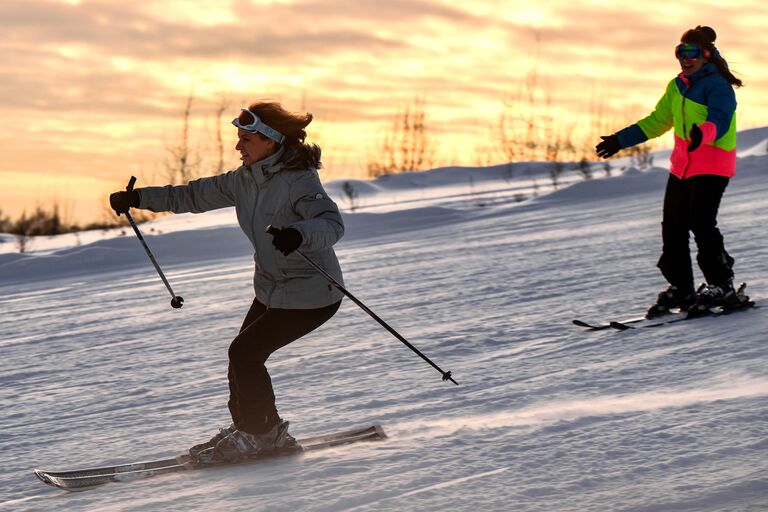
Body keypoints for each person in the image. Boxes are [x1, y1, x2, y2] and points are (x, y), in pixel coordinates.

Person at [110, 101, 345, 462]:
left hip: (311, 293)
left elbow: (331, 223)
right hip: (271, 289)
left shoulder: (299, 180)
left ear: (270, 141)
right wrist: (139, 198)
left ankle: (260, 433)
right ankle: (255, 429)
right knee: (241, 354)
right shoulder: (244, 179)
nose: (239, 146)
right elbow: (192, 194)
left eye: (246, 139)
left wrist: (298, 234)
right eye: (239, 138)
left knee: (245, 354)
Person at [595, 25, 749, 317]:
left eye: (690, 52)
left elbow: (721, 120)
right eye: (680, 52)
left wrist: (702, 134)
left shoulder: (717, 86)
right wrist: (620, 140)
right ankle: (682, 287)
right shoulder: (676, 86)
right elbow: (657, 120)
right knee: (673, 227)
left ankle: (722, 285)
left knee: (701, 224)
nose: (684, 58)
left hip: (712, 164)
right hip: (682, 167)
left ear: (705, 54)